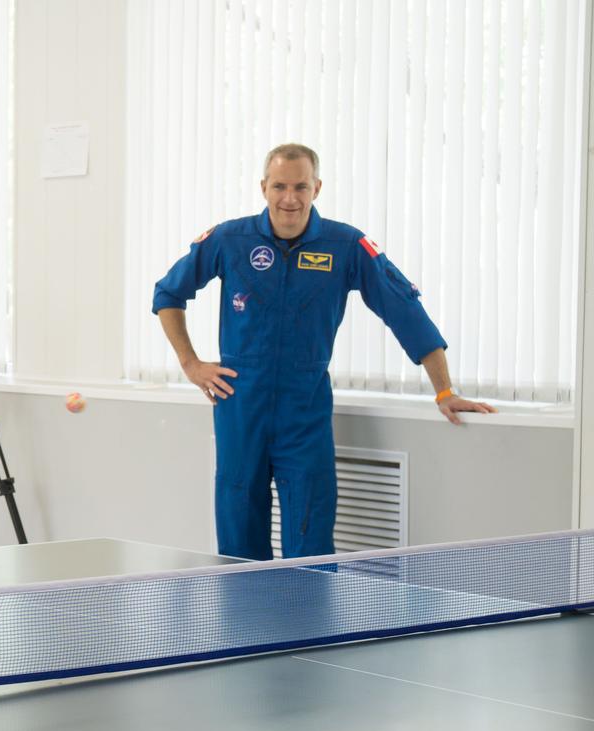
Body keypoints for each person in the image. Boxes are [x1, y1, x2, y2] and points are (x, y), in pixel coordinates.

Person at [152, 143, 495, 562]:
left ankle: (308, 626)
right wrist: (190, 364)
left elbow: (405, 311)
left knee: (310, 545)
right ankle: (244, 627)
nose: (290, 198)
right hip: (239, 406)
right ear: (263, 187)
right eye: (279, 186)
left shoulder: (345, 246)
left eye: (300, 186)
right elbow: (168, 293)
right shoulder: (229, 239)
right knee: (239, 543)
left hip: (305, 410)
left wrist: (445, 391)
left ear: (317, 187)